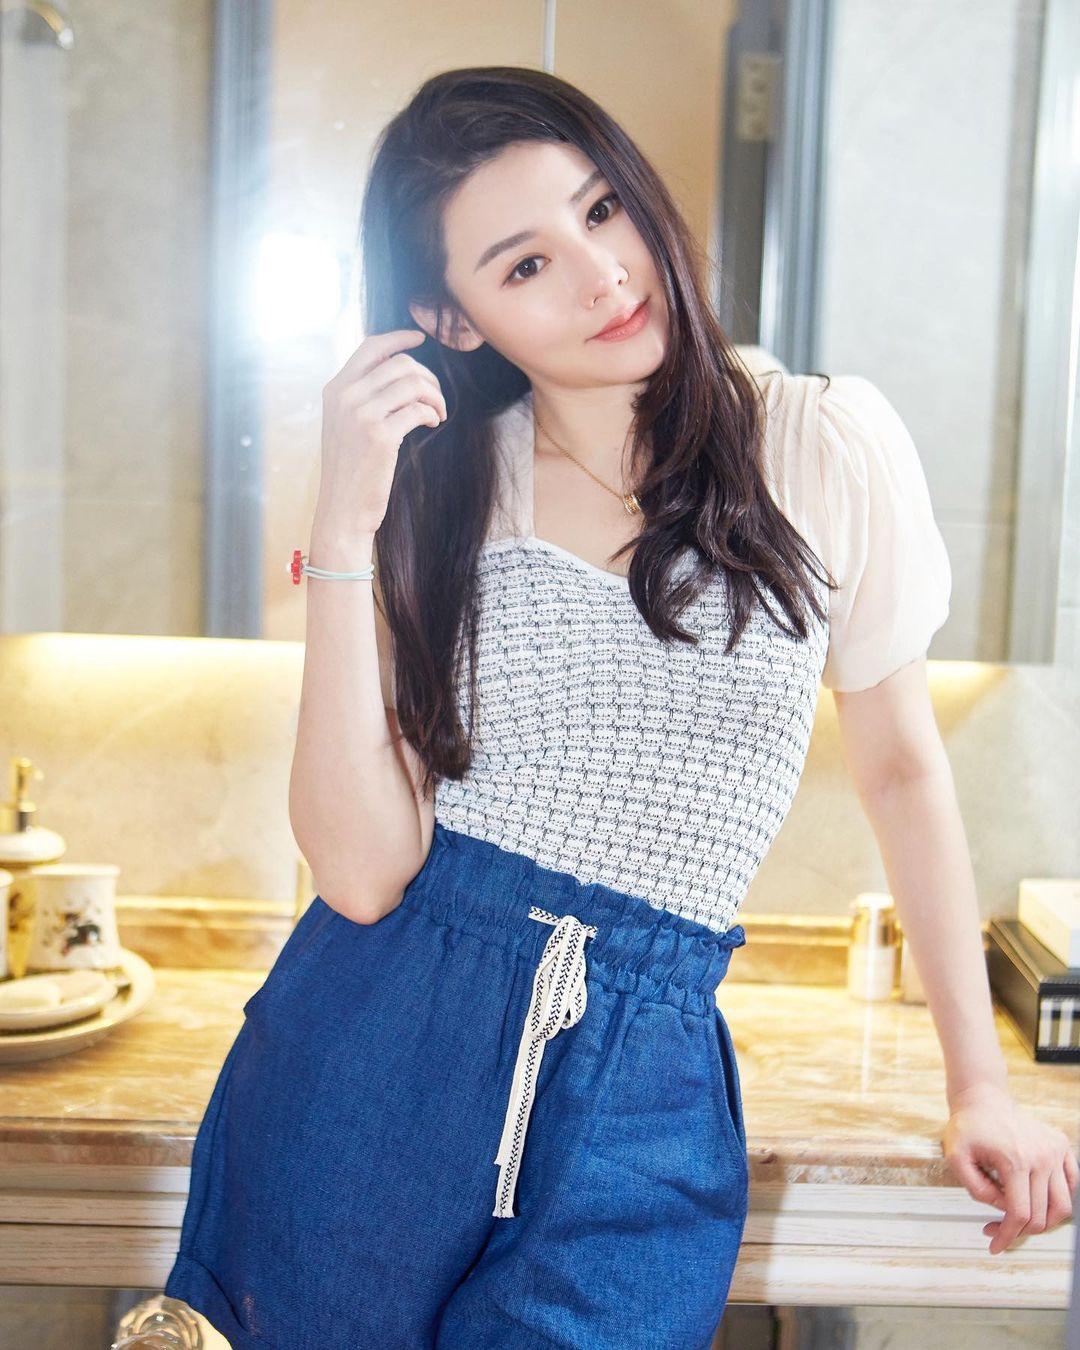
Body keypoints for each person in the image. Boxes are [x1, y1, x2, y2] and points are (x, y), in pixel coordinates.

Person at [164, 65, 1077, 1350]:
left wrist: (977, 1081)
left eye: (601, 211)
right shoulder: (439, 498)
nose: (600, 275)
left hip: (650, 1067)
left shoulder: (823, 444)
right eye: (525, 264)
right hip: (381, 1045)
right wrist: (343, 524)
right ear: (453, 317)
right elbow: (361, 875)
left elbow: (902, 771)